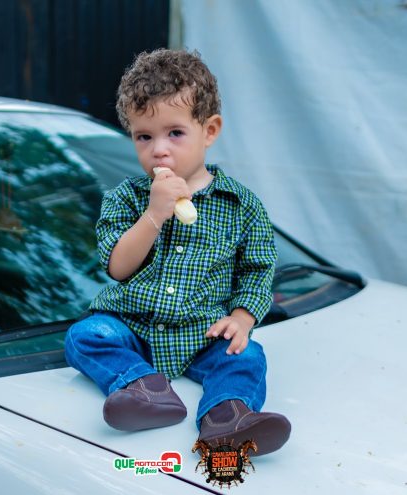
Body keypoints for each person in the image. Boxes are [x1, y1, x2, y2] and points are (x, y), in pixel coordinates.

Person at [64, 48, 291, 456]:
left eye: (175, 133)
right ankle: (145, 389)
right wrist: (154, 214)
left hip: (202, 331)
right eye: (144, 136)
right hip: (133, 326)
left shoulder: (241, 205)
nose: (159, 150)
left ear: (210, 130)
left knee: (247, 354)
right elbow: (117, 267)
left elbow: (258, 270)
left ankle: (227, 417)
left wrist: (241, 317)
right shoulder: (125, 199)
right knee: (85, 336)